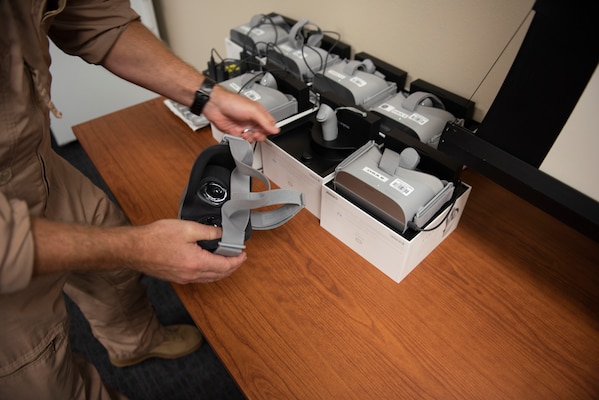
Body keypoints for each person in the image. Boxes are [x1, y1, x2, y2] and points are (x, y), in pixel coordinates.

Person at [0, 1, 279, 399]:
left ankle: (134, 343)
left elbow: (95, 18)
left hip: (30, 158)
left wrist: (206, 96)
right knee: (41, 372)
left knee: (108, 248)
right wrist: (135, 248)